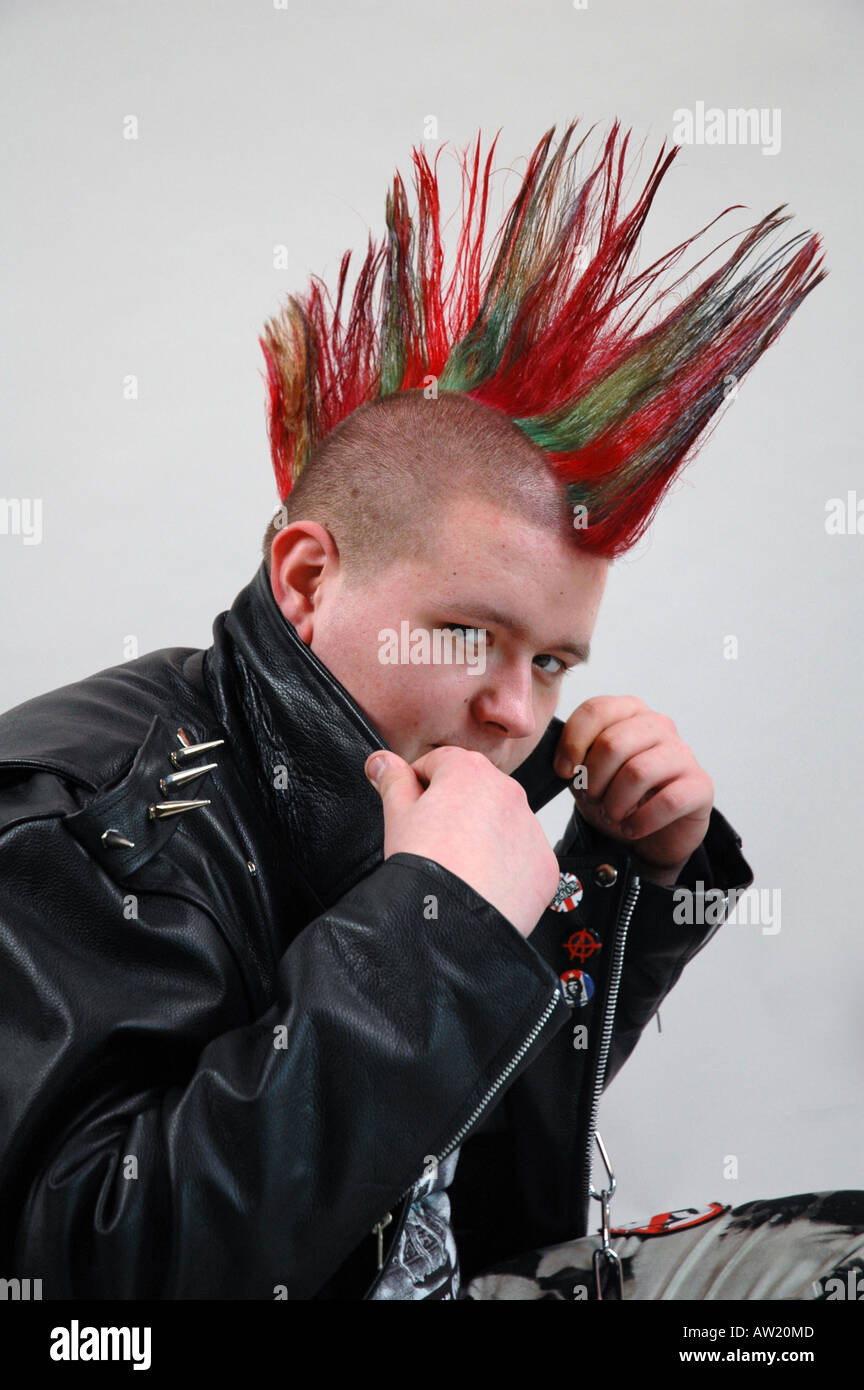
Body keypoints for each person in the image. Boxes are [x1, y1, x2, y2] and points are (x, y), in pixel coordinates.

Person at [0, 120, 860, 1302]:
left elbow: (449, 1166)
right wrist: (432, 930)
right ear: (309, 581)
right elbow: (88, 1296)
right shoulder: (86, 823)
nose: (515, 710)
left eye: (555, 658)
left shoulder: (400, 785)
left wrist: (627, 885)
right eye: (468, 633)